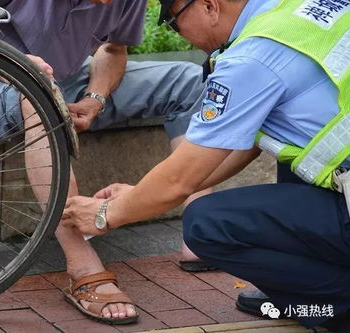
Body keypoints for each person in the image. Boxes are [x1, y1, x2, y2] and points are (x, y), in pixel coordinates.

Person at [63, 0, 350, 331]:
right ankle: (301, 293)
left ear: (209, 6)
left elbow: (180, 180)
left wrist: (105, 215)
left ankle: (331, 304)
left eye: (174, 23)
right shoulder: (300, 11)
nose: (182, 38)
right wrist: (139, 195)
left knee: (206, 224)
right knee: (295, 161)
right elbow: (245, 144)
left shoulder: (251, 59)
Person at [0, 0, 208, 324]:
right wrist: (18, 63)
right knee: (40, 96)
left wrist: (95, 97)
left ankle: (202, 233)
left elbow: (113, 49)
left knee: (192, 81)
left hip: (67, 79)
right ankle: (81, 263)